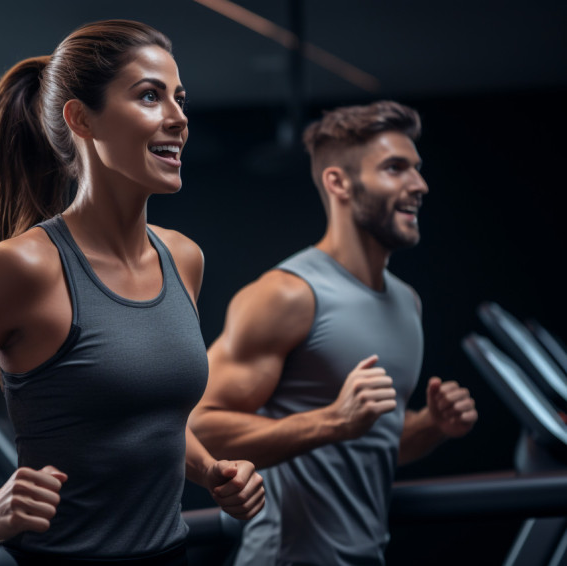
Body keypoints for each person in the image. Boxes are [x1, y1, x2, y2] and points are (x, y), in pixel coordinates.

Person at [0, 19, 264, 566]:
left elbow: (151, 422)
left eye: (179, 97)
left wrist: (211, 471)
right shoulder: (23, 268)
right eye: (150, 96)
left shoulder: (182, 258)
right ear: (82, 119)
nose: (178, 117)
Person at [188, 101, 478, 566]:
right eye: (395, 168)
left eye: (417, 169)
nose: (419, 185)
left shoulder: (407, 302)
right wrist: (333, 420)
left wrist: (429, 428)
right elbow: (198, 427)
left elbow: (373, 445)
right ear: (338, 182)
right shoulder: (287, 295)